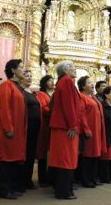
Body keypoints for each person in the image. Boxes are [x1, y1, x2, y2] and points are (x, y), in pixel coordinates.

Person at [0, 59, 27, 200]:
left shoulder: (18, 86)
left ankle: (12, 188)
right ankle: (5, 190)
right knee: (6, 160)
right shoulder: (7, 85)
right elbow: (4, 108)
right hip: (10, 129)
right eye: (20, 67)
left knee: (14, 160)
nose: (23, 70)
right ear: (12, 70)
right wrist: (8, 128)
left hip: (18, 129)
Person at [48, 60, 81, 199]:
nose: (75, 69)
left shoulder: (63, 81)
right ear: (65, 70)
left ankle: (63, 189)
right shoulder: (67, 81)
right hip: (66, 127)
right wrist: (72, 125)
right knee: (66, 160)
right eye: (72, 67)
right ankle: (64, 192)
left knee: (62, 159)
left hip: (62, 126)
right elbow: (69, 106)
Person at [78, 76, 106, 188]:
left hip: (97, 130)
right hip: (89, 131)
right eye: (89, 83)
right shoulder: (81, 97)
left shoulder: (94, 97)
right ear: (83, 86)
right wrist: (86, 129)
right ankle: (86, 180)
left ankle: (93, 178)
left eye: (92, 82)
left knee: (95, 155)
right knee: (87, 156)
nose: (92, 84)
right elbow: (81, 114)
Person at [20, 70, 41, 190]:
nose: (29, 77)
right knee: (24, 154)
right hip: (25, 127)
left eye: (31, 76)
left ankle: (27, 180)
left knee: (31, 155)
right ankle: (22, 180)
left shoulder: (32, 93)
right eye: (26, 76)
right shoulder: (20, 91)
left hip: (35, 128)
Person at [36, 75, 54, 187]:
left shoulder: (56, 93)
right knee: (43, 152)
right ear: (44, 83)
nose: (52, 83)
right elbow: (43, 109)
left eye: (53, 81)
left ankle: (51, 177)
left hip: (54, 126)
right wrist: (55, 110)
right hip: (45, 126)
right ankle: (42, 178)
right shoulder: (41, 94)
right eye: (49, 81)